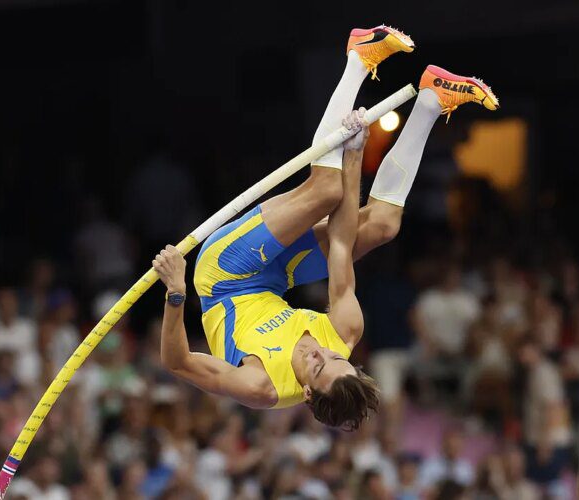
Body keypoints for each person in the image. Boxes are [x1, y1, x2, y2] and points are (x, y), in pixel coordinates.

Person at [153, 25, 498, 429]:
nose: (321, 353)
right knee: (383, 225)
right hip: (275, 277)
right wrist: (354, 157)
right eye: (336, 359)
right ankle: (431, 100)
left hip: (224, 274)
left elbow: (177, 363)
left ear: (308, 393)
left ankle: (358, 57)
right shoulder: (345, 332)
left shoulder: (260, 385)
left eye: (318, 367)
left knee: (325, 189)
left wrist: (176, 295)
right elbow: (340, 243)